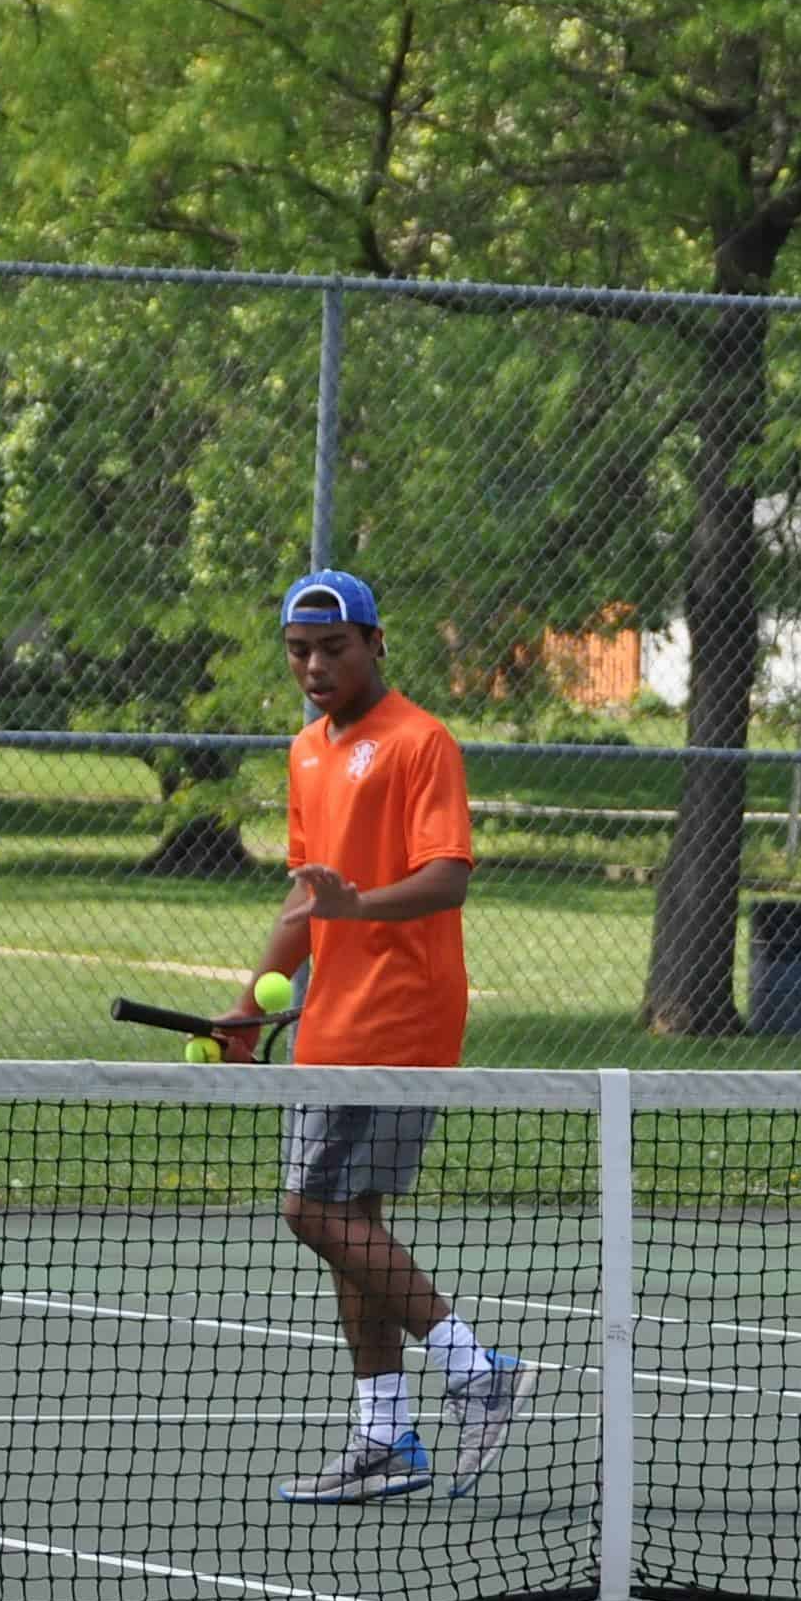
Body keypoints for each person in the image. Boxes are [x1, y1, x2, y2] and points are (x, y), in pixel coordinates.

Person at [231, 570, 534, 1503]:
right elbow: (307, 898)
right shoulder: (306, 752)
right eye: (299, 651)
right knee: (349, 1224)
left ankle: (475, 1366)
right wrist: (248, 1004)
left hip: (400, 1017)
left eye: (333, 648)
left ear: (374, 644)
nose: (315, 666)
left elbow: (447, 877)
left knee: (309, 1212)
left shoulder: (420, 741)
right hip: (329, 1020)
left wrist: (358, 910)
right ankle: (386, 1440)